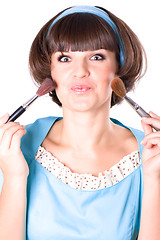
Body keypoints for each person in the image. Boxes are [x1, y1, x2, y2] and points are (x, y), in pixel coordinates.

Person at [0, 5, 160, 240]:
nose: (80, 71)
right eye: (65, 58)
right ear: (50, 72)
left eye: (96, 57)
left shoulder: (150, 152)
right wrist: (14, 178)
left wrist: (154, 178)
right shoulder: (13, 149)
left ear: (119, 68)